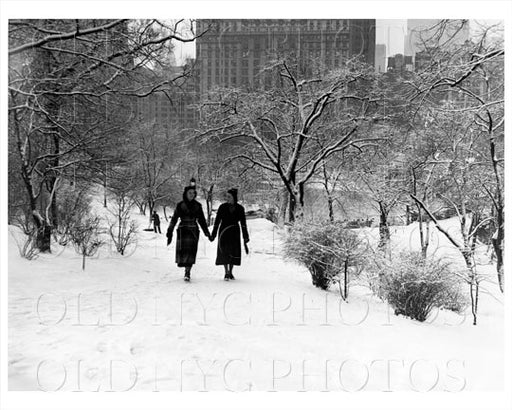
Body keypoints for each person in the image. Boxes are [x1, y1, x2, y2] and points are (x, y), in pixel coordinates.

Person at [166, 183, 211, 281]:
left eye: (193, 193)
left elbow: (202, 221)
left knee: (191, 253)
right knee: (184, 253)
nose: (192, 194)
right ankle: (185, 269)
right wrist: (170, 231)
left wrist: (207, 233)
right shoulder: (180, 205)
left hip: (193, 230)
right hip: (183, 230)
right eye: (189, 193)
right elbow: (174, 219)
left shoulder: (198, 206)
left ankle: (188, 272)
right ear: (185, 194)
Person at [210, 188, 249, 281]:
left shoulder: (240, 209)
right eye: (226, 196)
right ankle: (226, 272)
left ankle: (230, 271)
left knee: (233, 251)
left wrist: (245, 237)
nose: (227, 198)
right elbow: (217, 221)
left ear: (234, 197)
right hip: (224, 231)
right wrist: (214, 234)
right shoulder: (222, 207)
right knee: (224, 251)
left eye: (229, 196)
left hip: (234, 232)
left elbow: (243, 224)